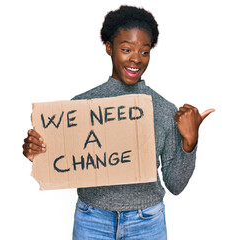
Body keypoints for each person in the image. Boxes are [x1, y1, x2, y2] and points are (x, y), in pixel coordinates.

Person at [22, 5, 214, 240]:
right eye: (126, 49)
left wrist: (190, 143)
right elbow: (61, 163)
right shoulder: (79, 108)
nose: (136, 59)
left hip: (147, 222)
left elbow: (175, 185)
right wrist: (38, 152)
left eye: (144, 52)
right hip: (92, 218)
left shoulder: (164, 109)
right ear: (109, 47)